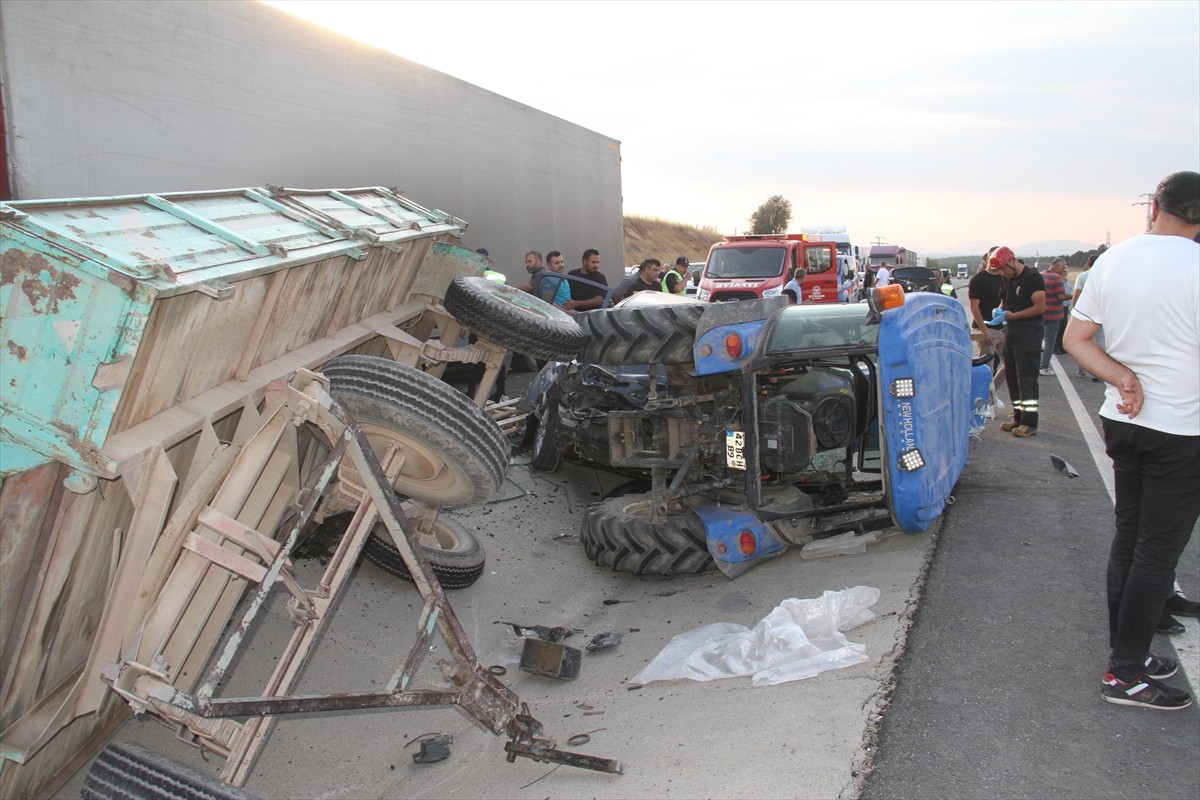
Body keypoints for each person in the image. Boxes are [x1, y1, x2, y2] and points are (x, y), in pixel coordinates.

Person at [1063, 170, 1200, 711]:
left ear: (1154, 208)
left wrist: (1122, 376)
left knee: (1130, 538)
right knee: (1156, 551)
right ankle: (1124, 673)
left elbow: (1076, 339)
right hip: (1180, 428)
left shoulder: (1111, 261)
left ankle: (1128, 655)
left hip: (1123, 419)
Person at [989, 248, 1045, 437]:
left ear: (1012, 261)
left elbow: (1040, 307)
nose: (1002, 273)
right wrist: (999, 311)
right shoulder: (1007, 279)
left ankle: (1030, 422)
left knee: (1026, 378)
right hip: (1011, 331)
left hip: (1029, 332)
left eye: (1004, 268)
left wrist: (1013, 316)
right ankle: (1018, 417)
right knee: (1012, 376)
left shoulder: (1032, 278)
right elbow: (1004, 302)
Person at [968, 248, 1006, 386]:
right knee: (986, 368)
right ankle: (982, 394)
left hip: (1003, 327)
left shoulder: (1004, 278)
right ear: (987, 259)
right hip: (986, 328)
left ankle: (992, 392)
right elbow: (974, 307)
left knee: (1011, 364)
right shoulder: (978, 280)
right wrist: (985, 330)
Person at [1038, 258, 1069, 375]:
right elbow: (1061, 296)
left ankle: (1034, 364)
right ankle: (1044, 366)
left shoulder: (1040, 275)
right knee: (1049, 342)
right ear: (1056, 266)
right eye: (1063, 267)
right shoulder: (1057, 278)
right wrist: (1074, 295)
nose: (1064, 269)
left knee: (1037, 340)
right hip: (1053, 314)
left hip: (1040, 313)